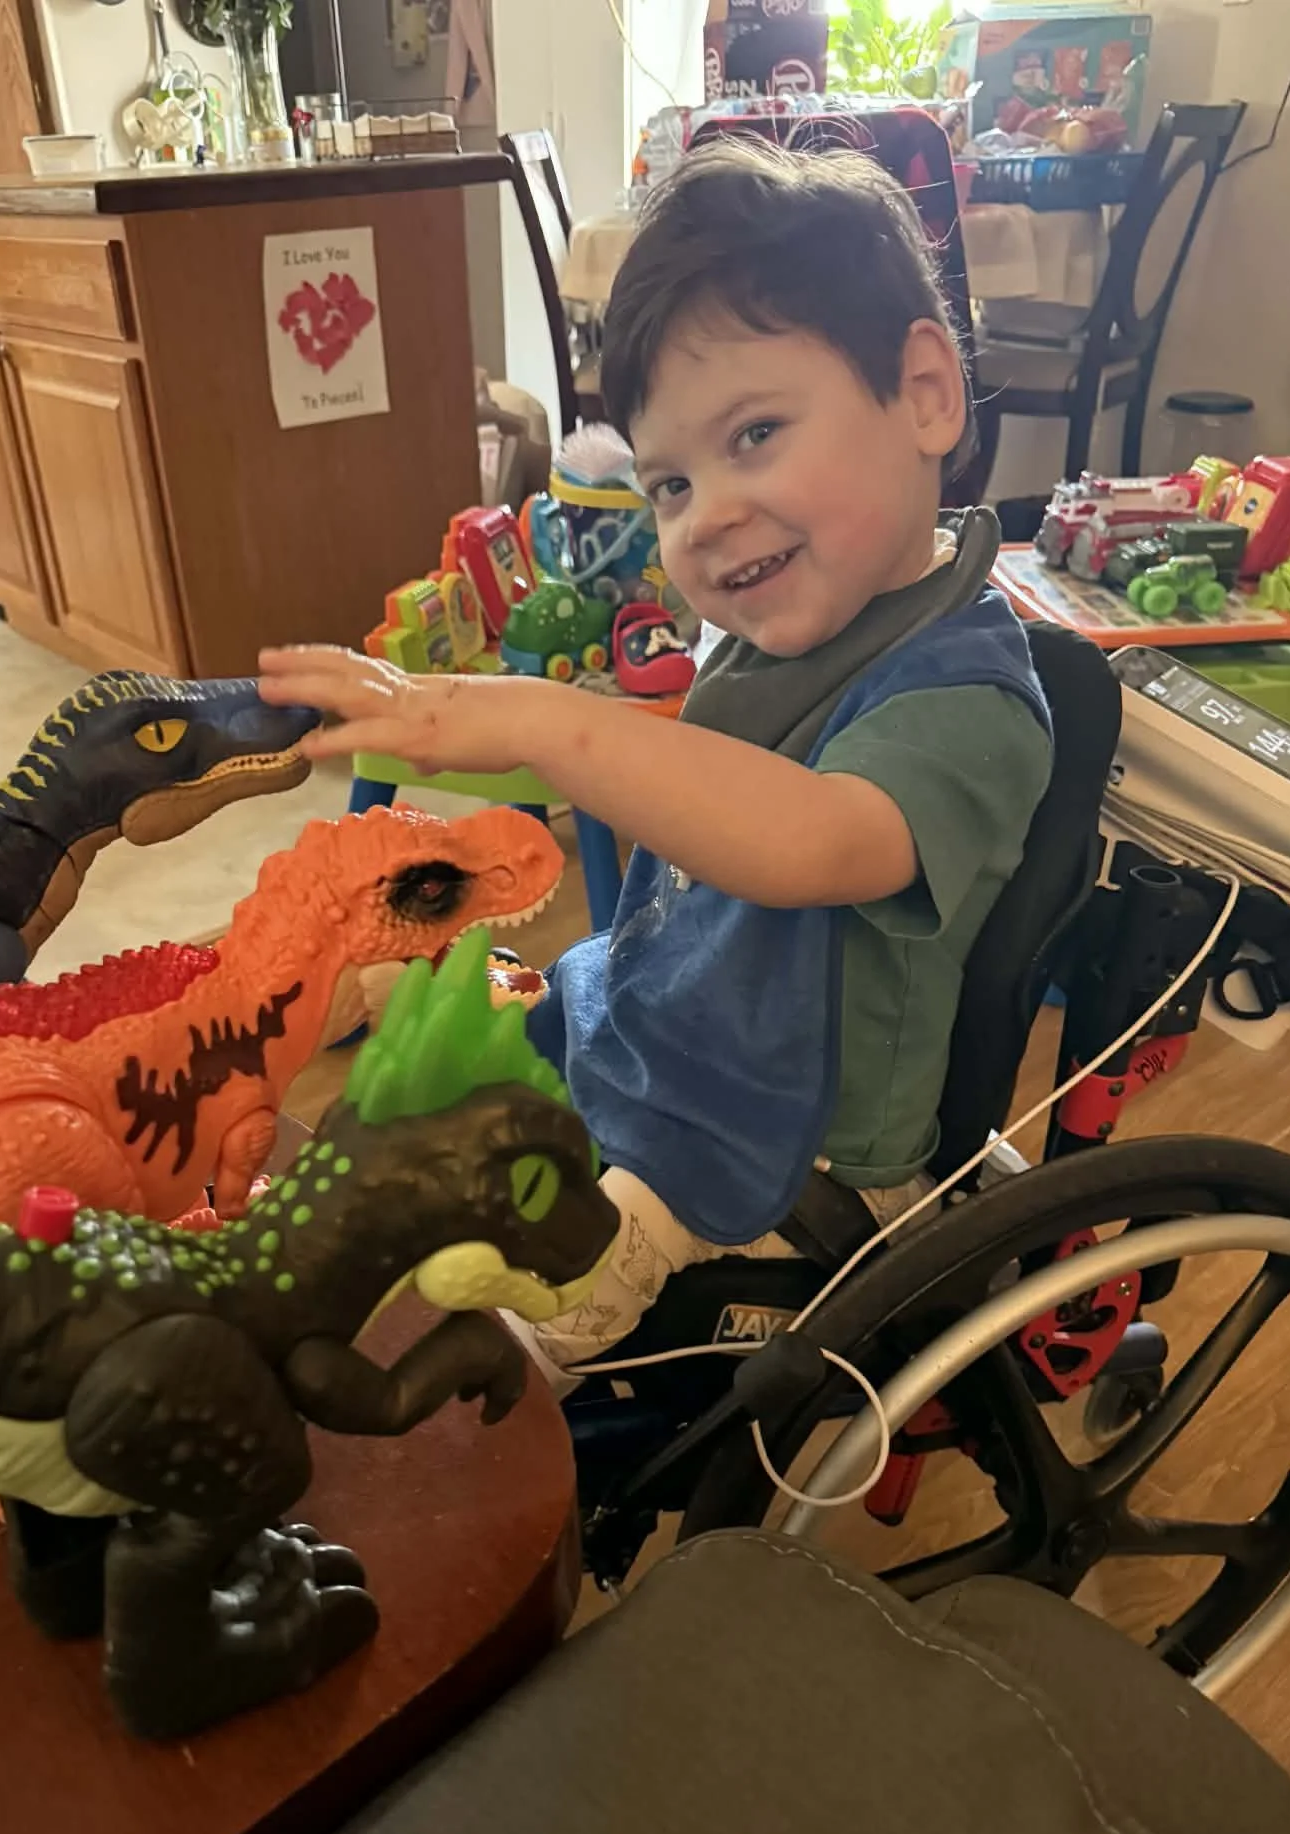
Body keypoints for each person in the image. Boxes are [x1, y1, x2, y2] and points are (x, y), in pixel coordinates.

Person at [259, 141, 1053, 1375]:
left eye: (757, 433)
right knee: (438, 1073)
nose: (710, 514)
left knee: (515, 1319)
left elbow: (808, 840)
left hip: (790, 1151)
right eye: (671, 483)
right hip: (666, 1037)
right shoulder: (781, 627)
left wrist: (551, 724)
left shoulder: (966, 696)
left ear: (924, 394)